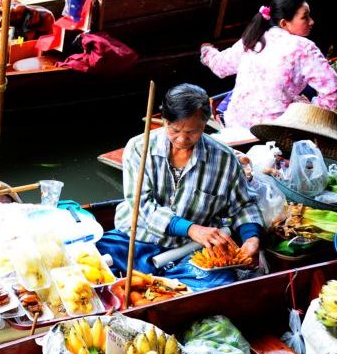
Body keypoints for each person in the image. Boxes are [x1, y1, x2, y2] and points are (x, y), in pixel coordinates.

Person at [97, 83, 263, 291]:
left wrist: (252, 238)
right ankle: (166, 285)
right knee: (91, 260)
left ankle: (165, 285)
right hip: (134, 239)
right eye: (175, 130)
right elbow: (141, 205)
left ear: (205, 124)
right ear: (164, 121)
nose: (182, 139)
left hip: (188, 251)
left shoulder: (224, 159)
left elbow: (244, 205)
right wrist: (191, 229)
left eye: (193, 132)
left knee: (219, 285)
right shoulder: (139, 148)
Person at [200, 0, 337, 131]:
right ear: (284, 23)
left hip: (235, 124)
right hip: (276, 128)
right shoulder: (304, 47)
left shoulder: (253, 39)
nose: (311, 21)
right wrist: (311, 111)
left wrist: (206, 50)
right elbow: (333, 91)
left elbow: (220, 66)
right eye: (305, 17)